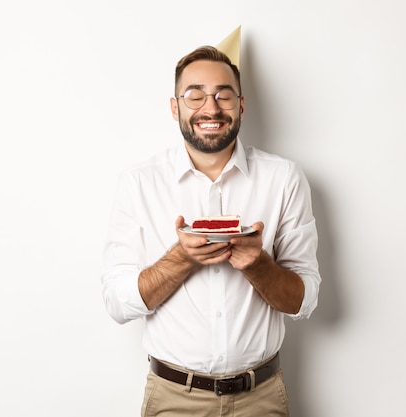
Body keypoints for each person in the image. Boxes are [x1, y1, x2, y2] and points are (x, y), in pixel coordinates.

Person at [101, 45, 321, 417]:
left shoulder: (284, 179)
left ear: (241, 105)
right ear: (175, 108)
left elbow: (304, 301)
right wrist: (181, 259)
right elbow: (117, 303)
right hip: (174, 399)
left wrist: (258, 265)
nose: (211, 107)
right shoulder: (140, 183)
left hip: (261, 398)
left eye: (224, 95)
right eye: (195, 95)